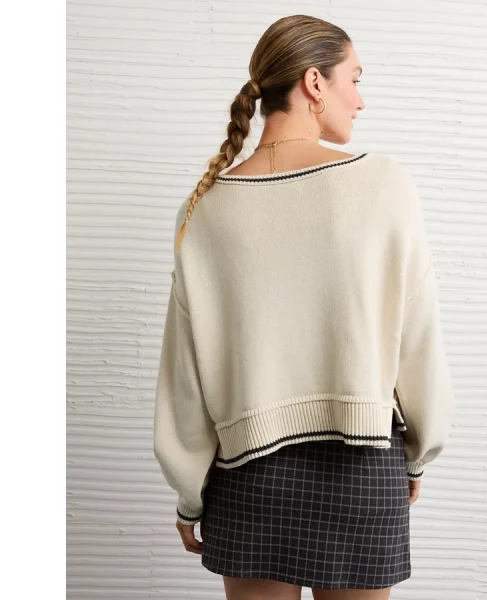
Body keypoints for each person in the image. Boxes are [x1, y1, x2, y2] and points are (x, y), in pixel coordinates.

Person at [153, 13, 455, 600]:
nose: (360, 101)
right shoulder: (384, 184)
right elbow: (418, 334)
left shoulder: (204, 209)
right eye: (355, 80)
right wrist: (419, 452)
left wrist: (189, 494)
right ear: (315, 82)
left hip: (247, 473)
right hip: (362, 465)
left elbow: (184, 375)